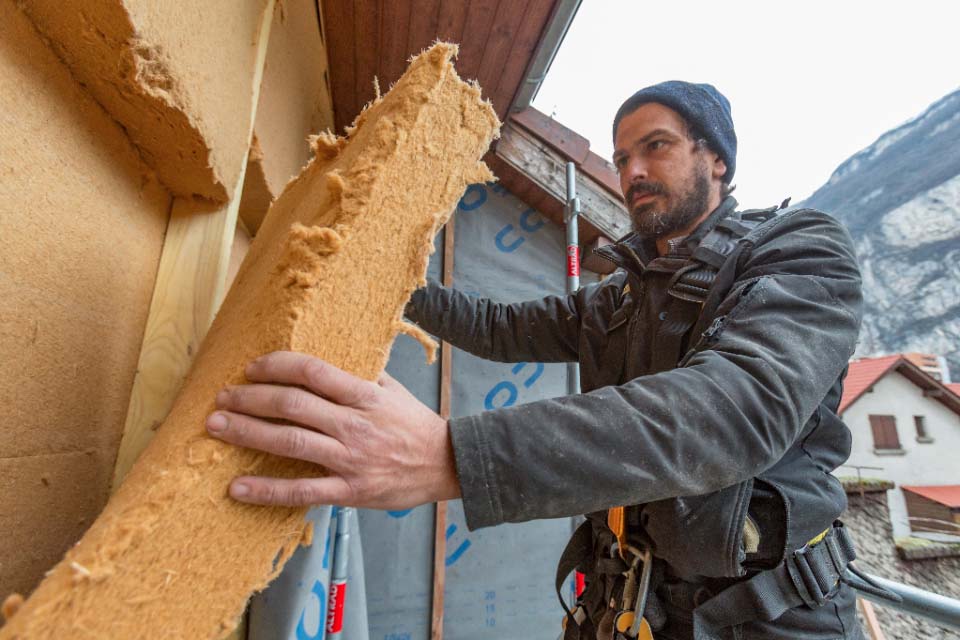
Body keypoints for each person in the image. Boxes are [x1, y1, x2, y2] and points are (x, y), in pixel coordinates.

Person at [204, 81, 868, 639]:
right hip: (636, 607)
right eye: (621, 156)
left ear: (716, 159)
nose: (632, 171)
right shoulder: (619, 298)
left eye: (656, 146)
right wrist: (384, 281)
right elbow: (497, 329)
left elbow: (733, 411)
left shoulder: (797, 250)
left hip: (768, 618)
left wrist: (453, 454)